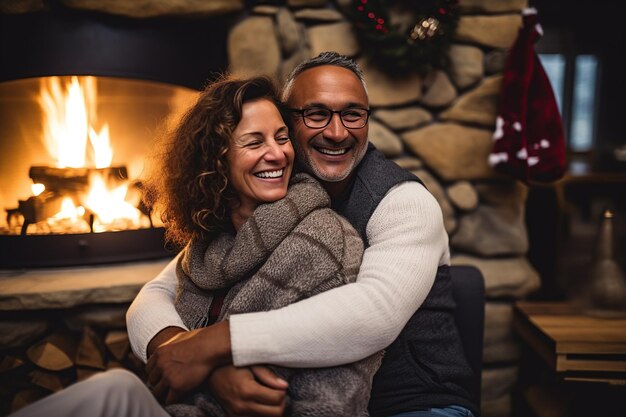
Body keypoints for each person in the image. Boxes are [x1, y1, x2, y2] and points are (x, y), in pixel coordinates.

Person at [128, 52, 478, 417]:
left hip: (417, 404)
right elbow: (161, 289)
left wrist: (216, 343)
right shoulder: (276, 190)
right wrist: (177, 347)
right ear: (287, 122)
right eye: (316, 114)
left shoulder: (403, 201)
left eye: (353, 114)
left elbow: (376, 314)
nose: (337, 132)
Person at [9, 76, 381, 417]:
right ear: (216, 158)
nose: (277, 154)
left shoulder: (322, 240)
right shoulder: (209, 245)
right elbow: (156, 308)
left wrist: (209, 372)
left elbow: (334, 399)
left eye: (282, 138)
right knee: (114, 388)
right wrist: (215, 374)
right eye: (255, 141)